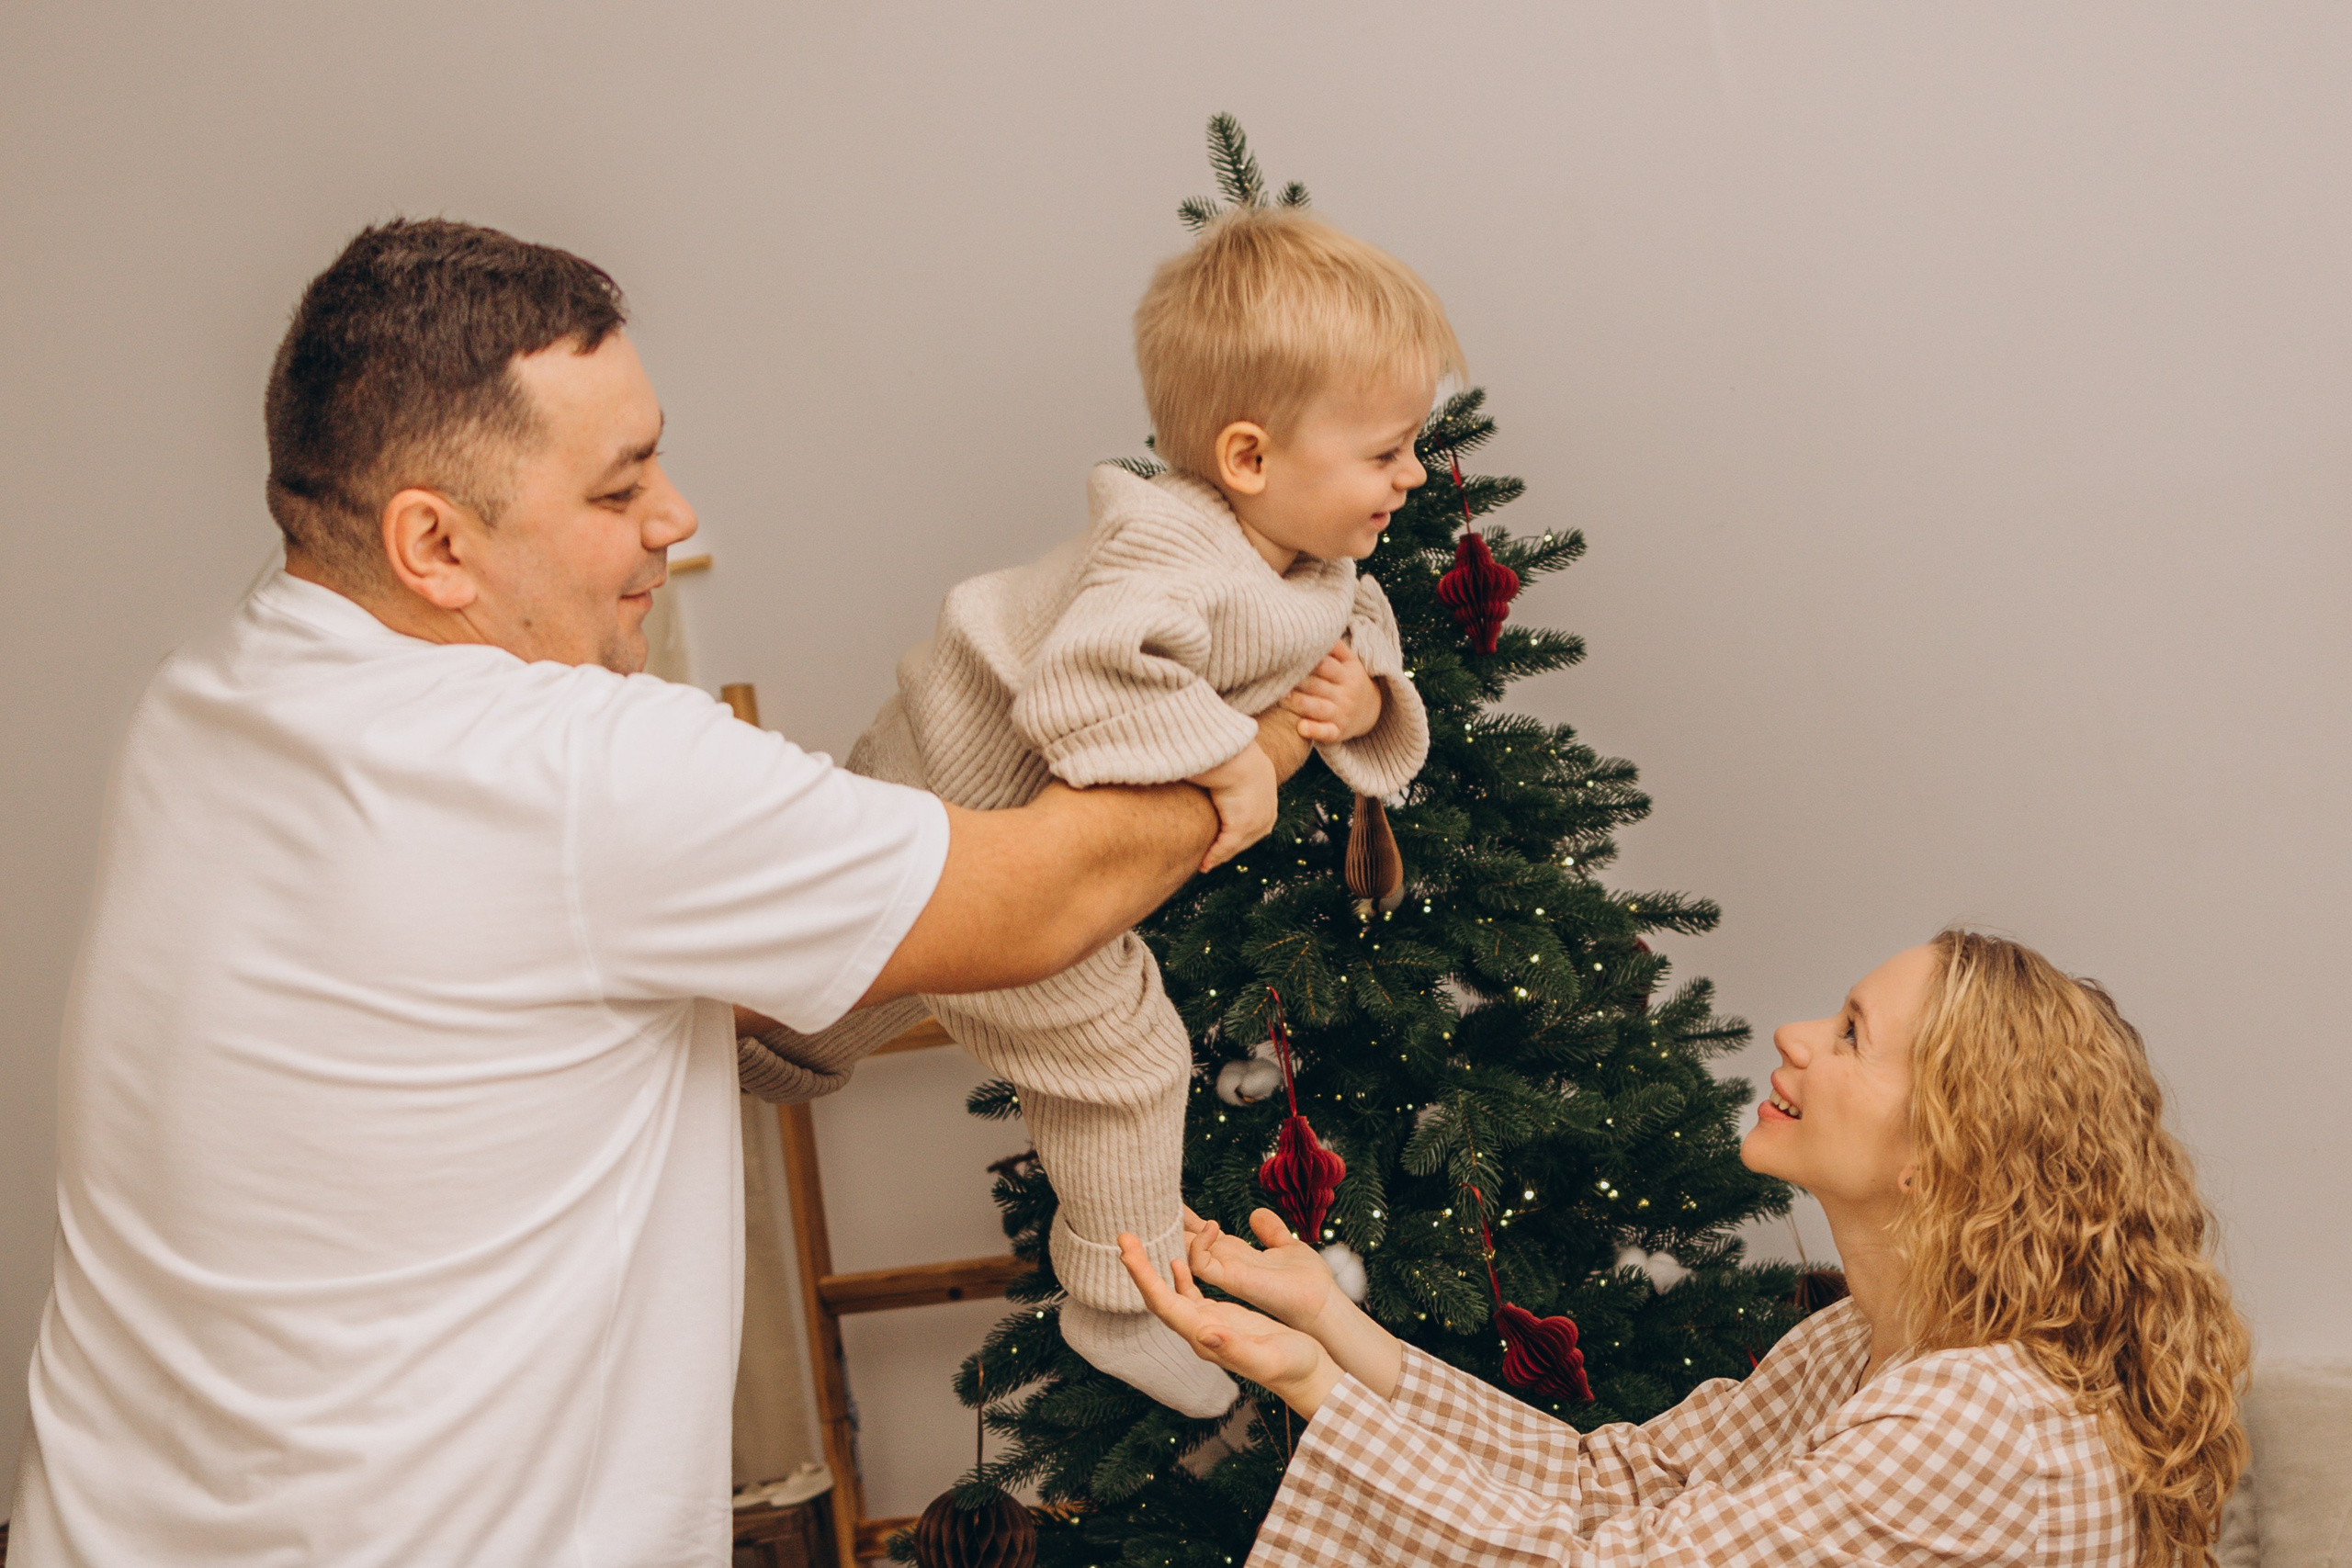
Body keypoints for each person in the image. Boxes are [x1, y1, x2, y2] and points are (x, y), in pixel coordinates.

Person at [6, 217, 1317, 1568]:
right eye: (619, 486)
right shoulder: (582, 772)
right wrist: (1266, 743)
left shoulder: (209, 692)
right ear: (434, 544)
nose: (673, 514)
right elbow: (1043, 901)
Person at [739, 206, 1449, 1416]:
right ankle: (1120, 1300)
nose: (1415, 475)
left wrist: (1369, 696)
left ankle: (752, 1040)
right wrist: (1237, 759)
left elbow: (1358, 638)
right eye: (1386, 453)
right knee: (1127, 1053)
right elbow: (1086, 686)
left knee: (861, 979)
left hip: (953, 818)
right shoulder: (1169, 548)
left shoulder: (1316, 562)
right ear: (1247, 461)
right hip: (950, 802)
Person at [1123, 929, 2251, 1566]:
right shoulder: (1860, 1344)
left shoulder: (1972, 1424)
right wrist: (1328, 1324)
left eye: (1852, 1035)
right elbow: (1604, 1483)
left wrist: (1320, 1387)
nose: (1794, 1037)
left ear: (1942, 1150)